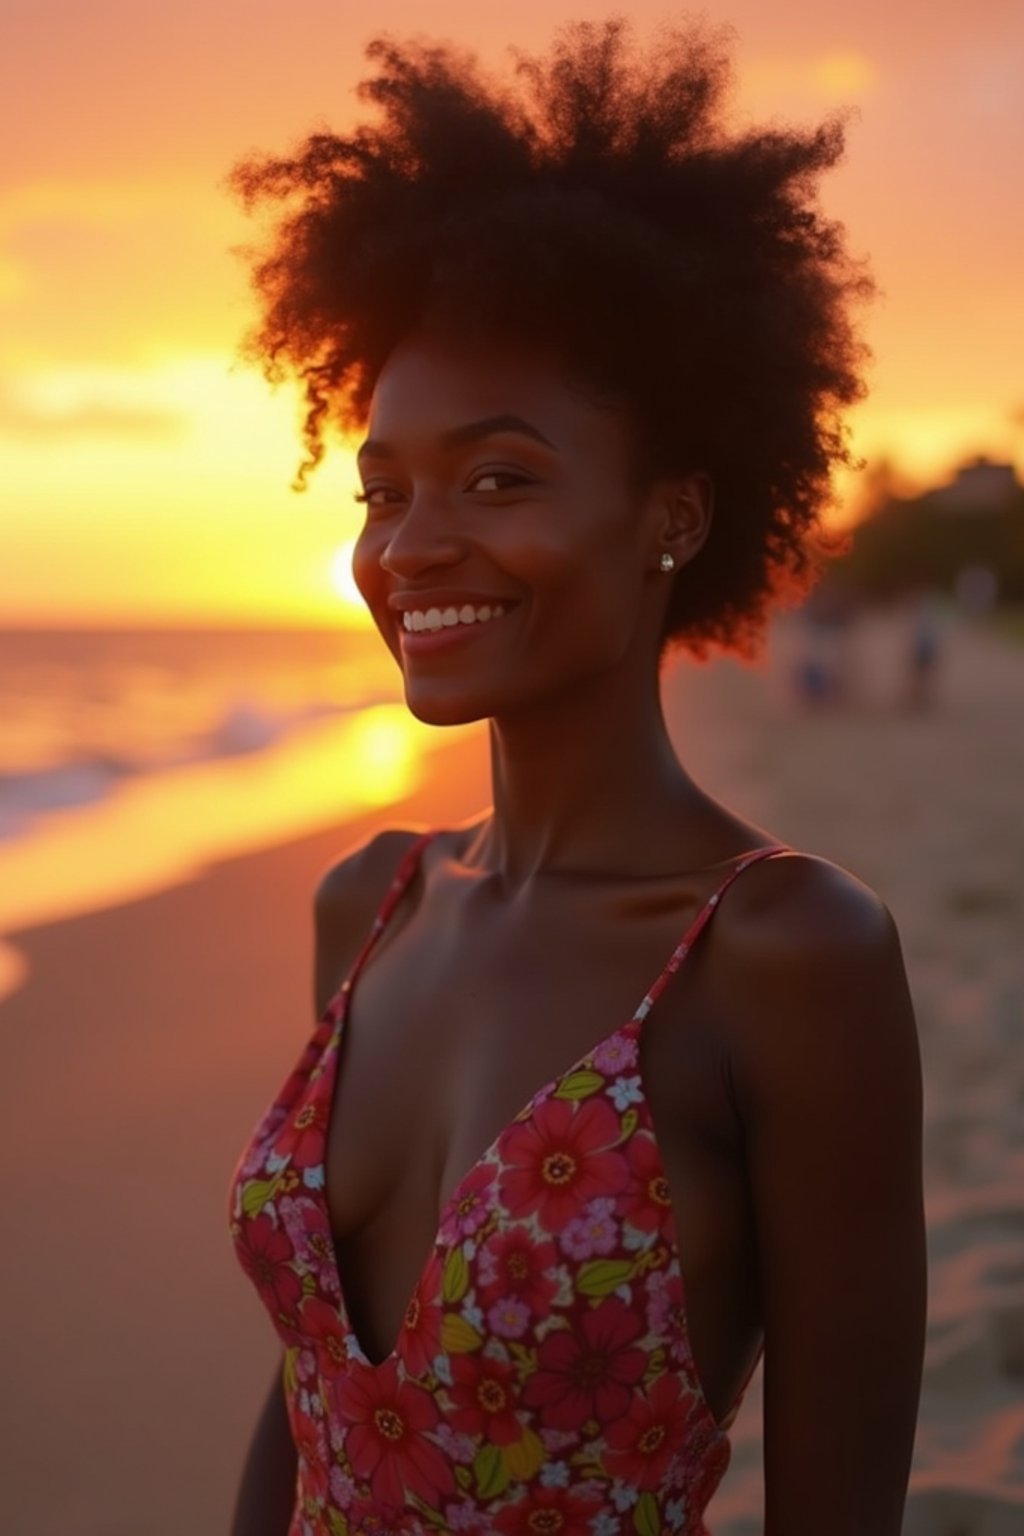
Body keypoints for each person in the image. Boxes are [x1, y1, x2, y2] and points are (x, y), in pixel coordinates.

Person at [225, 18, 926, 1535]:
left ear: (672, 514)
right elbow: (304, 1403)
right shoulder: (374, 904)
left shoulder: (782, 954)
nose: (412, 549)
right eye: (385, 492)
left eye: (501, 479)